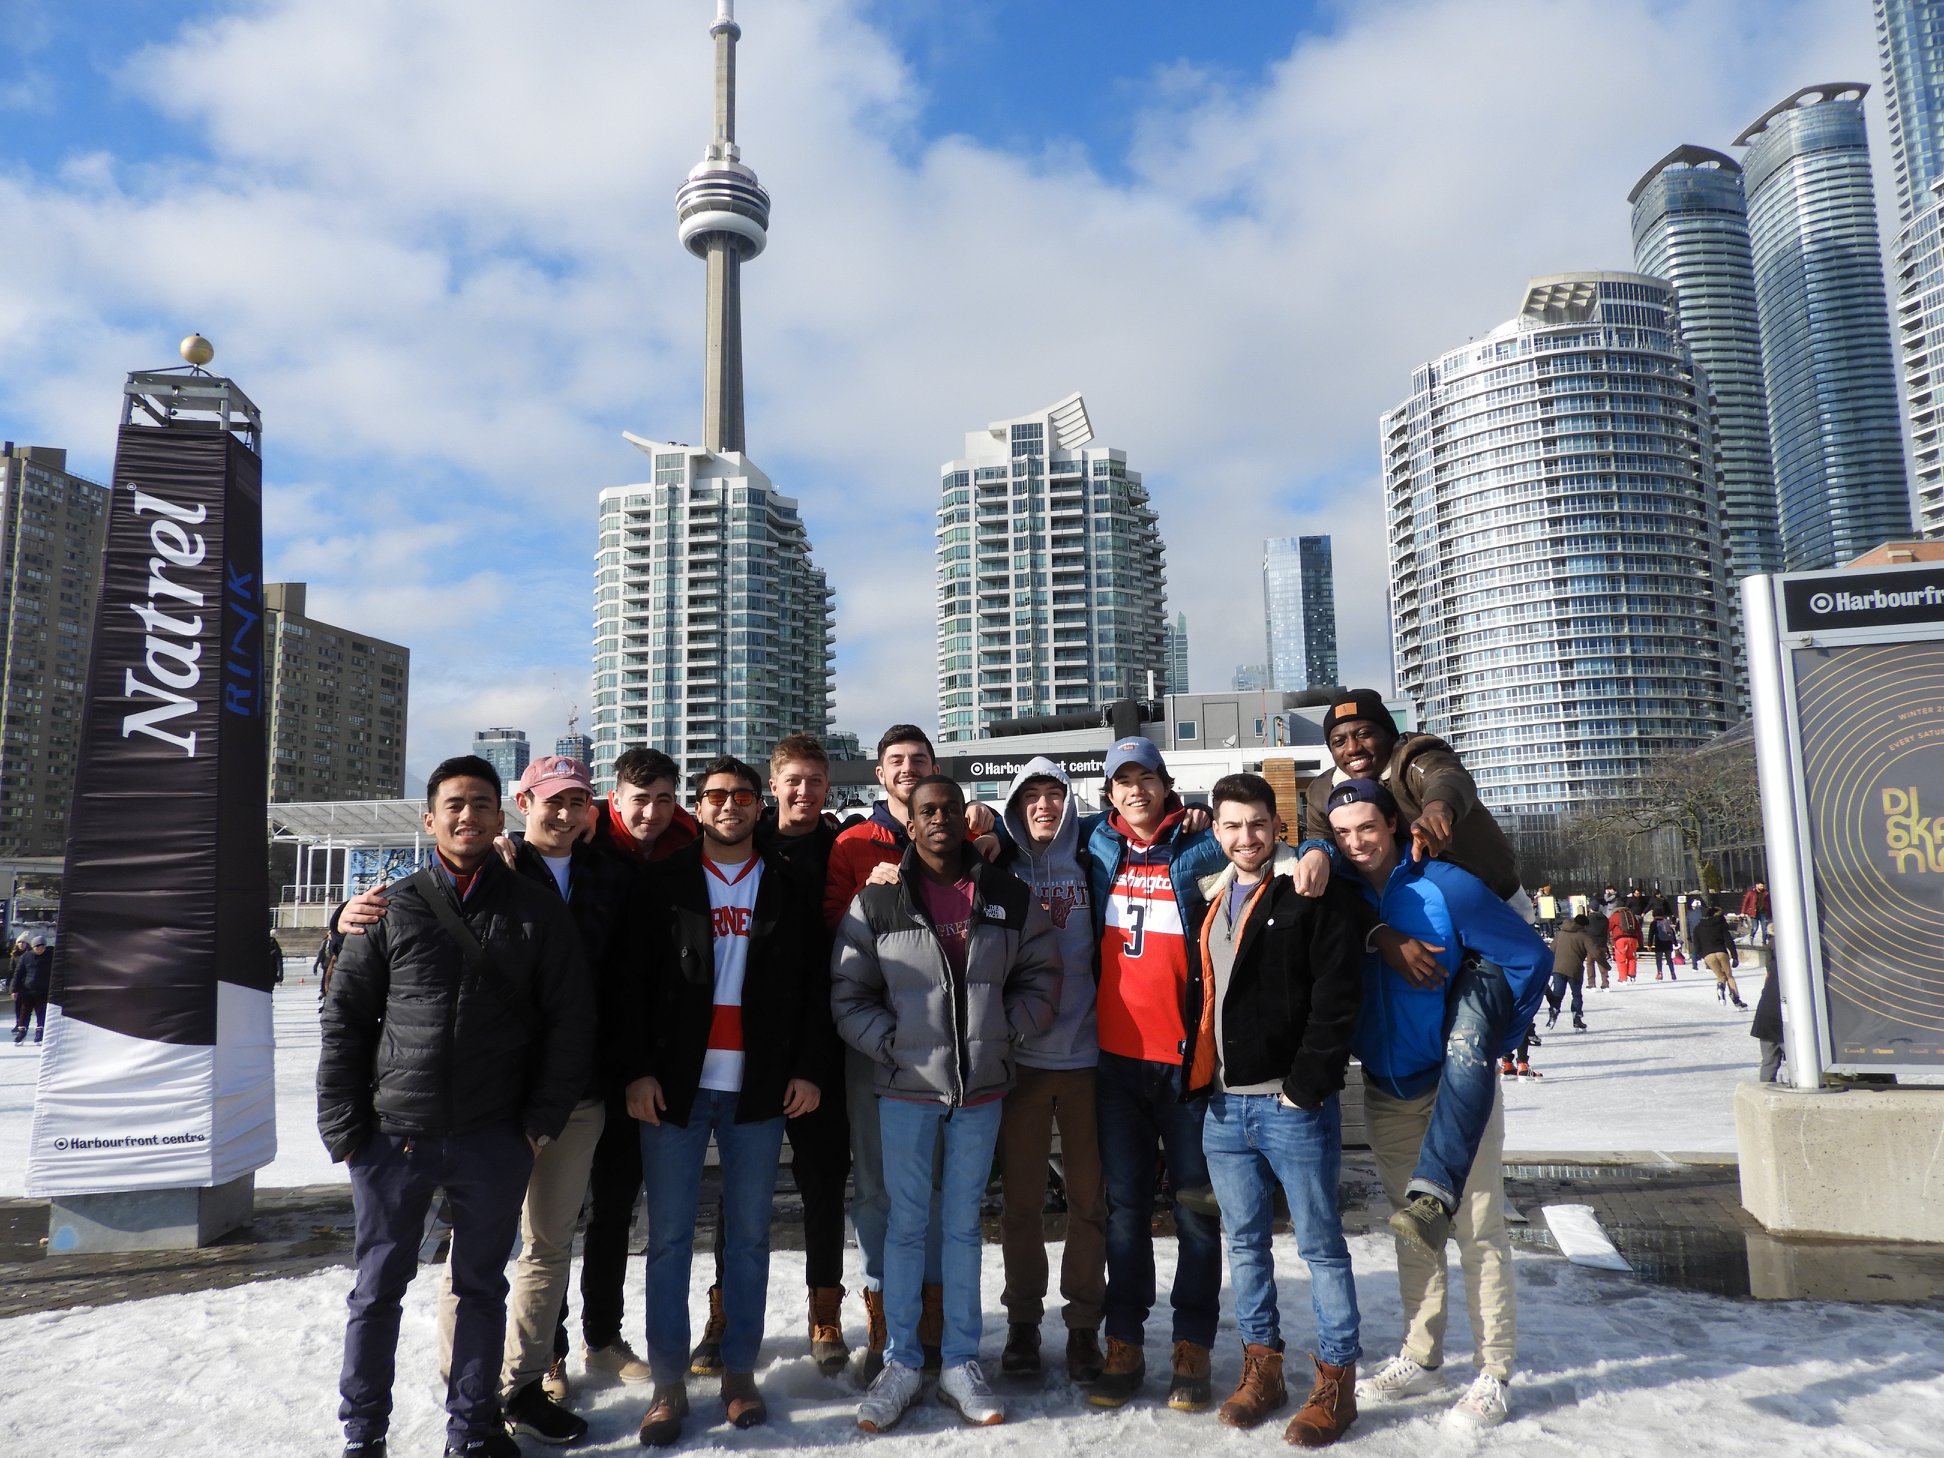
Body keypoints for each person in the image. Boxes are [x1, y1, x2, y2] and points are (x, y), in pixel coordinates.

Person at [319, 755, 593, 1458]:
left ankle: (472, 1430)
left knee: (480, 1288)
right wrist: (346, 1129)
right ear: (430, 818)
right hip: (393, 1137)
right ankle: (363, 1434)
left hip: (493, 1134)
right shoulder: (391, 907)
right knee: (376, 1291)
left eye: (481, 804)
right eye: (454, 804)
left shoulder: (537, 912)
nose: (467, 815)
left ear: (502, 817)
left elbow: (570, 1022)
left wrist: (536, 1125)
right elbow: (345, 1020)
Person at [616, 755, 832, 1446]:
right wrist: (638, 1072)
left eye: (742, 795)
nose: (730, 805)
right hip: (678, 1086)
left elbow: (813, 990)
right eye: (716, 796)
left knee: (749, 1240)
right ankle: (669, 1382)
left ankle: (739, 1371)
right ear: (698, 808)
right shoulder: (661, 885)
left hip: (760, 1087)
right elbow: (628, 989)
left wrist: (805, 1068)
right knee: (669, 1240)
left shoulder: (790, 886)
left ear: (758, 806)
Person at [832, 775, 1060, 1432]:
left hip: (981, 1089)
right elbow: (848, 993)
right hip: (907, 1091)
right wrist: (896, 1046)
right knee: (906, 1226)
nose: (938, 820)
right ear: (910, 822)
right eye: (925, 811)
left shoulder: (1006, 895)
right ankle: (903, 1360)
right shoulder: (878, 899)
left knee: (961, 1226)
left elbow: (1043, 973)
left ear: (966, 817)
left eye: (949, 809)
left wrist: (1003, 1032)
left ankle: (960, 1360)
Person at [1327, 778, 1548, 1432]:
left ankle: (1492, 1369)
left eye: (1367, 828)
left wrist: (1493, 1043)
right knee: (1412, 1227)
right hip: (1387, 1085)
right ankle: (1422, 1356)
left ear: (1393, 827)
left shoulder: (1444, 886)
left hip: (1454, 1084)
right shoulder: (1342, 896)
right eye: (1343, 834)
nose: (1356, 843)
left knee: (1478, 1229)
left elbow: (1527, 957)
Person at [432, 754, 634, 1447]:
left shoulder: (612, 876)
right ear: (523, 802)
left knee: (549, 1244)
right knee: (479, 1246)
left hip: (578, 1091)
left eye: (579, 801)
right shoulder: (493, 869)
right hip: (496, 1094)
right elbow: (419, 901)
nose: (565, 813)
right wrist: (347, 914)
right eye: (553, 801)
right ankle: (467, 1387)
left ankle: (522, 1382)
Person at [1189, 774, 1365, 1446]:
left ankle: (1337, 1382)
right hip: (1224, 1108)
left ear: (1278, 824)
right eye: (1232, 826)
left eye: (1257, 824)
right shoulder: (1211, 898)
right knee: (1245, 1245)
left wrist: (1306, 1086)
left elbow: (1336, 997)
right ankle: (1262, 1369)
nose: (1246, 838)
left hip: (1290, 1106)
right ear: (1215, 831)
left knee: (1320, 1247)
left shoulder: (1308, 891)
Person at [689, 733, 855, 1377]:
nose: (805, 792)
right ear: (772, 787)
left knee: (821, 1184)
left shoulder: (839, 846)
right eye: (794, 781)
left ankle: (825, 1308)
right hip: (747, 1053)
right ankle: (723, 1312)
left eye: (816, 781)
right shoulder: (738, 843)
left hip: (819, 1047)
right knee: (739, 1193)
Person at [1086, 737, 1227, 1412]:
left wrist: (1206, 813)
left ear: (1168, 787)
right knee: (1126, 1213)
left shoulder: (1201, 847)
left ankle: (1192, 1343)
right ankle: (1125, 1341)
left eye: (1148, 779)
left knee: (1198, 1210)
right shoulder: (1094, 849)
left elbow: (1271, 841)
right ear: (1109, 794)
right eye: (1123, 781)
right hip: (1116, 1063)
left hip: (1186, 1063)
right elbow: (1020, 826)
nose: (1136, 790)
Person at [821, 725, 949, 1376]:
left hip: (944, 1042)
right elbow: (830, 933)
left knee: (930, 1183)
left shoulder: (960, 833)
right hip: (873, 1037)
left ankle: (928, 1309)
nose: (907, 769)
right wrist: (866, 895)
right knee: (873, 1186)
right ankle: (879, 1304)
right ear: (878, 774)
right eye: (896, 761)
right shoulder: (851, 843)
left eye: (918, 761)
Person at [991, 757, 1107, 1382]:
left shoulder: (1095, 864)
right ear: (1014, 807)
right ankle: (1023, 1323)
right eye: (1030, 796)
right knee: (1023, 1205)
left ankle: (1085, 1324)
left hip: (1090, 1061)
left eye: (1054, 794)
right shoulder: (998, 870)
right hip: (1023, 1065)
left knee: (1090, 1201)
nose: (1043, 806)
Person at [1293, 690, 1523, 912]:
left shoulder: (1412, 759)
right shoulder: (1324, 791)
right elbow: (1320, 837)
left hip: (1490, 896)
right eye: (1339, 741)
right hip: (1407, 901)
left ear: (1389, 735)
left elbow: (1445, 776)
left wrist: (1438, 808)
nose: (1352, 748)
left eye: (1364, 734)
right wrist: (1317, 853)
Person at [1694, 903, 1747, 1009]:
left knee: (1720, 976)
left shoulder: (1698, 927)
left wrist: (1701, 956)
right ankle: (1737, 1000)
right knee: (1729, 976)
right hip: (1721, 952)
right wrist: (1734, 956)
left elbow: (1696, 944)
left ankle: (1720, 986)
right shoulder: (1721, 925)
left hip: (1708, 955)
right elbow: (1729, 941)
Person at [1545, 916, 1594, 1031]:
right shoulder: (1584, 935)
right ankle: (1577, 1018)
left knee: (1558, 993)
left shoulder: (1560, 933)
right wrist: (1605, 965)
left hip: (1558, 969)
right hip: (1574, 969)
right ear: (1584, 925)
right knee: (1576, 994)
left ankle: (1553, 1013)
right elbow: (1595, 952)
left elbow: (1551, 950)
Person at [10, 934, 49, 1045]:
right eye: (37, 946)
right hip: (27, 989)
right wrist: (14, 989)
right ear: (33, 947)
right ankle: (21, 1032)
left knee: (41, 1012)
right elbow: (18, 973)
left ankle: (39, 1033)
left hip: (43, 990)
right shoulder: (26, 957)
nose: (40, 948)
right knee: (24, 1011)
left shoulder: (50, 956)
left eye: (42, 946)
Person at [1751, 968, 1784, 1082]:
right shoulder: (1794, 965)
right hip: (1783, 1021)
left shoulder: (1774, 967)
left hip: (1765, 1019)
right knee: (1801, 1063)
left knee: (1769, 1061)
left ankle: (1765, 1087)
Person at [1607, 900, 1642, 983]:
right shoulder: (1631, 915)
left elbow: (1608, 927)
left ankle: (1623, 978)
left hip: (1620, 939)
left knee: (1621, 959)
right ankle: (1632, 975)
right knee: (1632, 957)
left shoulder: (1616, 915)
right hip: (1633, 939)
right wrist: (1641, 943)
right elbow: (1638, 929)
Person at [1646, 910, 1680, 981]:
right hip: (1668, 943)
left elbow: (1651, 934)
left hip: (1659, 943)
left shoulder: (1654, 923)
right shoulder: (1666, 922)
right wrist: (1675, 942)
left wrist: (1649, 944)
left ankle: (1660, 973)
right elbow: (1672, 932)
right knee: (1669, 959)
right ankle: (1673, 973)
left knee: (1659, 959)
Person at [1739, 882, 1772, 948]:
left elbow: (1769, 903)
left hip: (1763, 912)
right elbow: (1745, 902)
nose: (1762, 888)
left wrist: (1769, 913)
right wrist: (1742, 912)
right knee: (1755, 928)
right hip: (1754, 913)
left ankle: (1764, 942)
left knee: (1764, 929)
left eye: (1763, 886)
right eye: (1760, 886)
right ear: (1757, 886)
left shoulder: (1766, 893)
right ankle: (1751, 939)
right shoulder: (1751, 893)